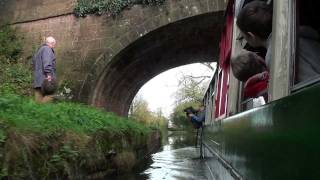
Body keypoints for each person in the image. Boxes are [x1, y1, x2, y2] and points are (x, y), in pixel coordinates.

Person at [237, 1, 320, 83]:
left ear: (251, 36)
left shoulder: (274, 55)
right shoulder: (297, 31)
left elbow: (309, 84)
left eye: (243, 37)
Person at [32, 36, 57, 103]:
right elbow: (47, 62)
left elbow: (34, 63)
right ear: (52, 43)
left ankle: (36, 112)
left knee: (38, 100)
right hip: (45, 78)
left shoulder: (39, 51)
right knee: (51, 94)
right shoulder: (47, 49)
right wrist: (49, 75)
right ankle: (42, 110)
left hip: (38, 79)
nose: (54, 46)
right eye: (54, 45)